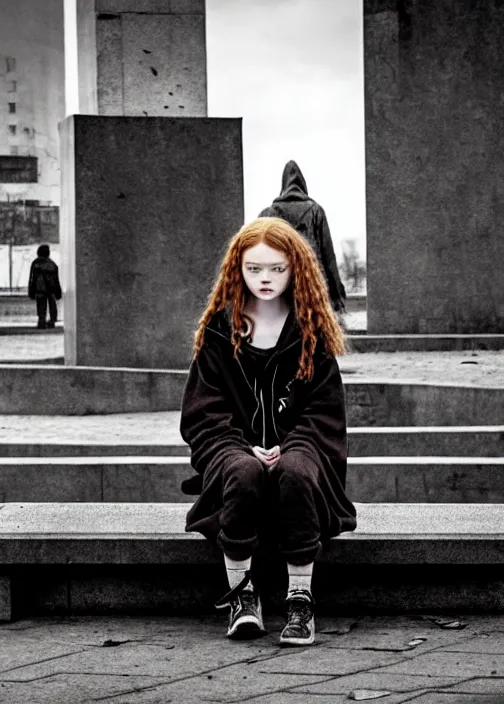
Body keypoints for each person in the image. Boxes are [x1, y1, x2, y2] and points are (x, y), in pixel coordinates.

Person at [180, 217, 356, 646]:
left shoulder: (310, 333)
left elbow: (324, 414)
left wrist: (291, 447)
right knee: (243, 472)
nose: (265, 278)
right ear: (237, 269)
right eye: (254, 268)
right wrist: (242, 448)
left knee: (295, 471)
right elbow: (203, 412)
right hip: (231, 451)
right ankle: (243, 596)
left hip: (304, 453)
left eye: (277, 269)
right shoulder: (221, 332)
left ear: (295, 269)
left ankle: (300, 600)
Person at [259, 161, 346, 313]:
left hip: (278, 285)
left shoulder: (267, 214)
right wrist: (336, 293)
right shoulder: (316, 211)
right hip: (311, 283)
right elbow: (328, 255)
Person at [28, 244, 62, 329]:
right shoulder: (52, 264)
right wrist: (58, 291)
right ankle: (52, 321)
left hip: (40, 288)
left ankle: (41, 321)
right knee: (52, 306)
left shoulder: (35, 263)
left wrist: (31, 290)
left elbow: (32, 278)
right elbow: (56, 279)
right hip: (51, 288)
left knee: (41, 306)